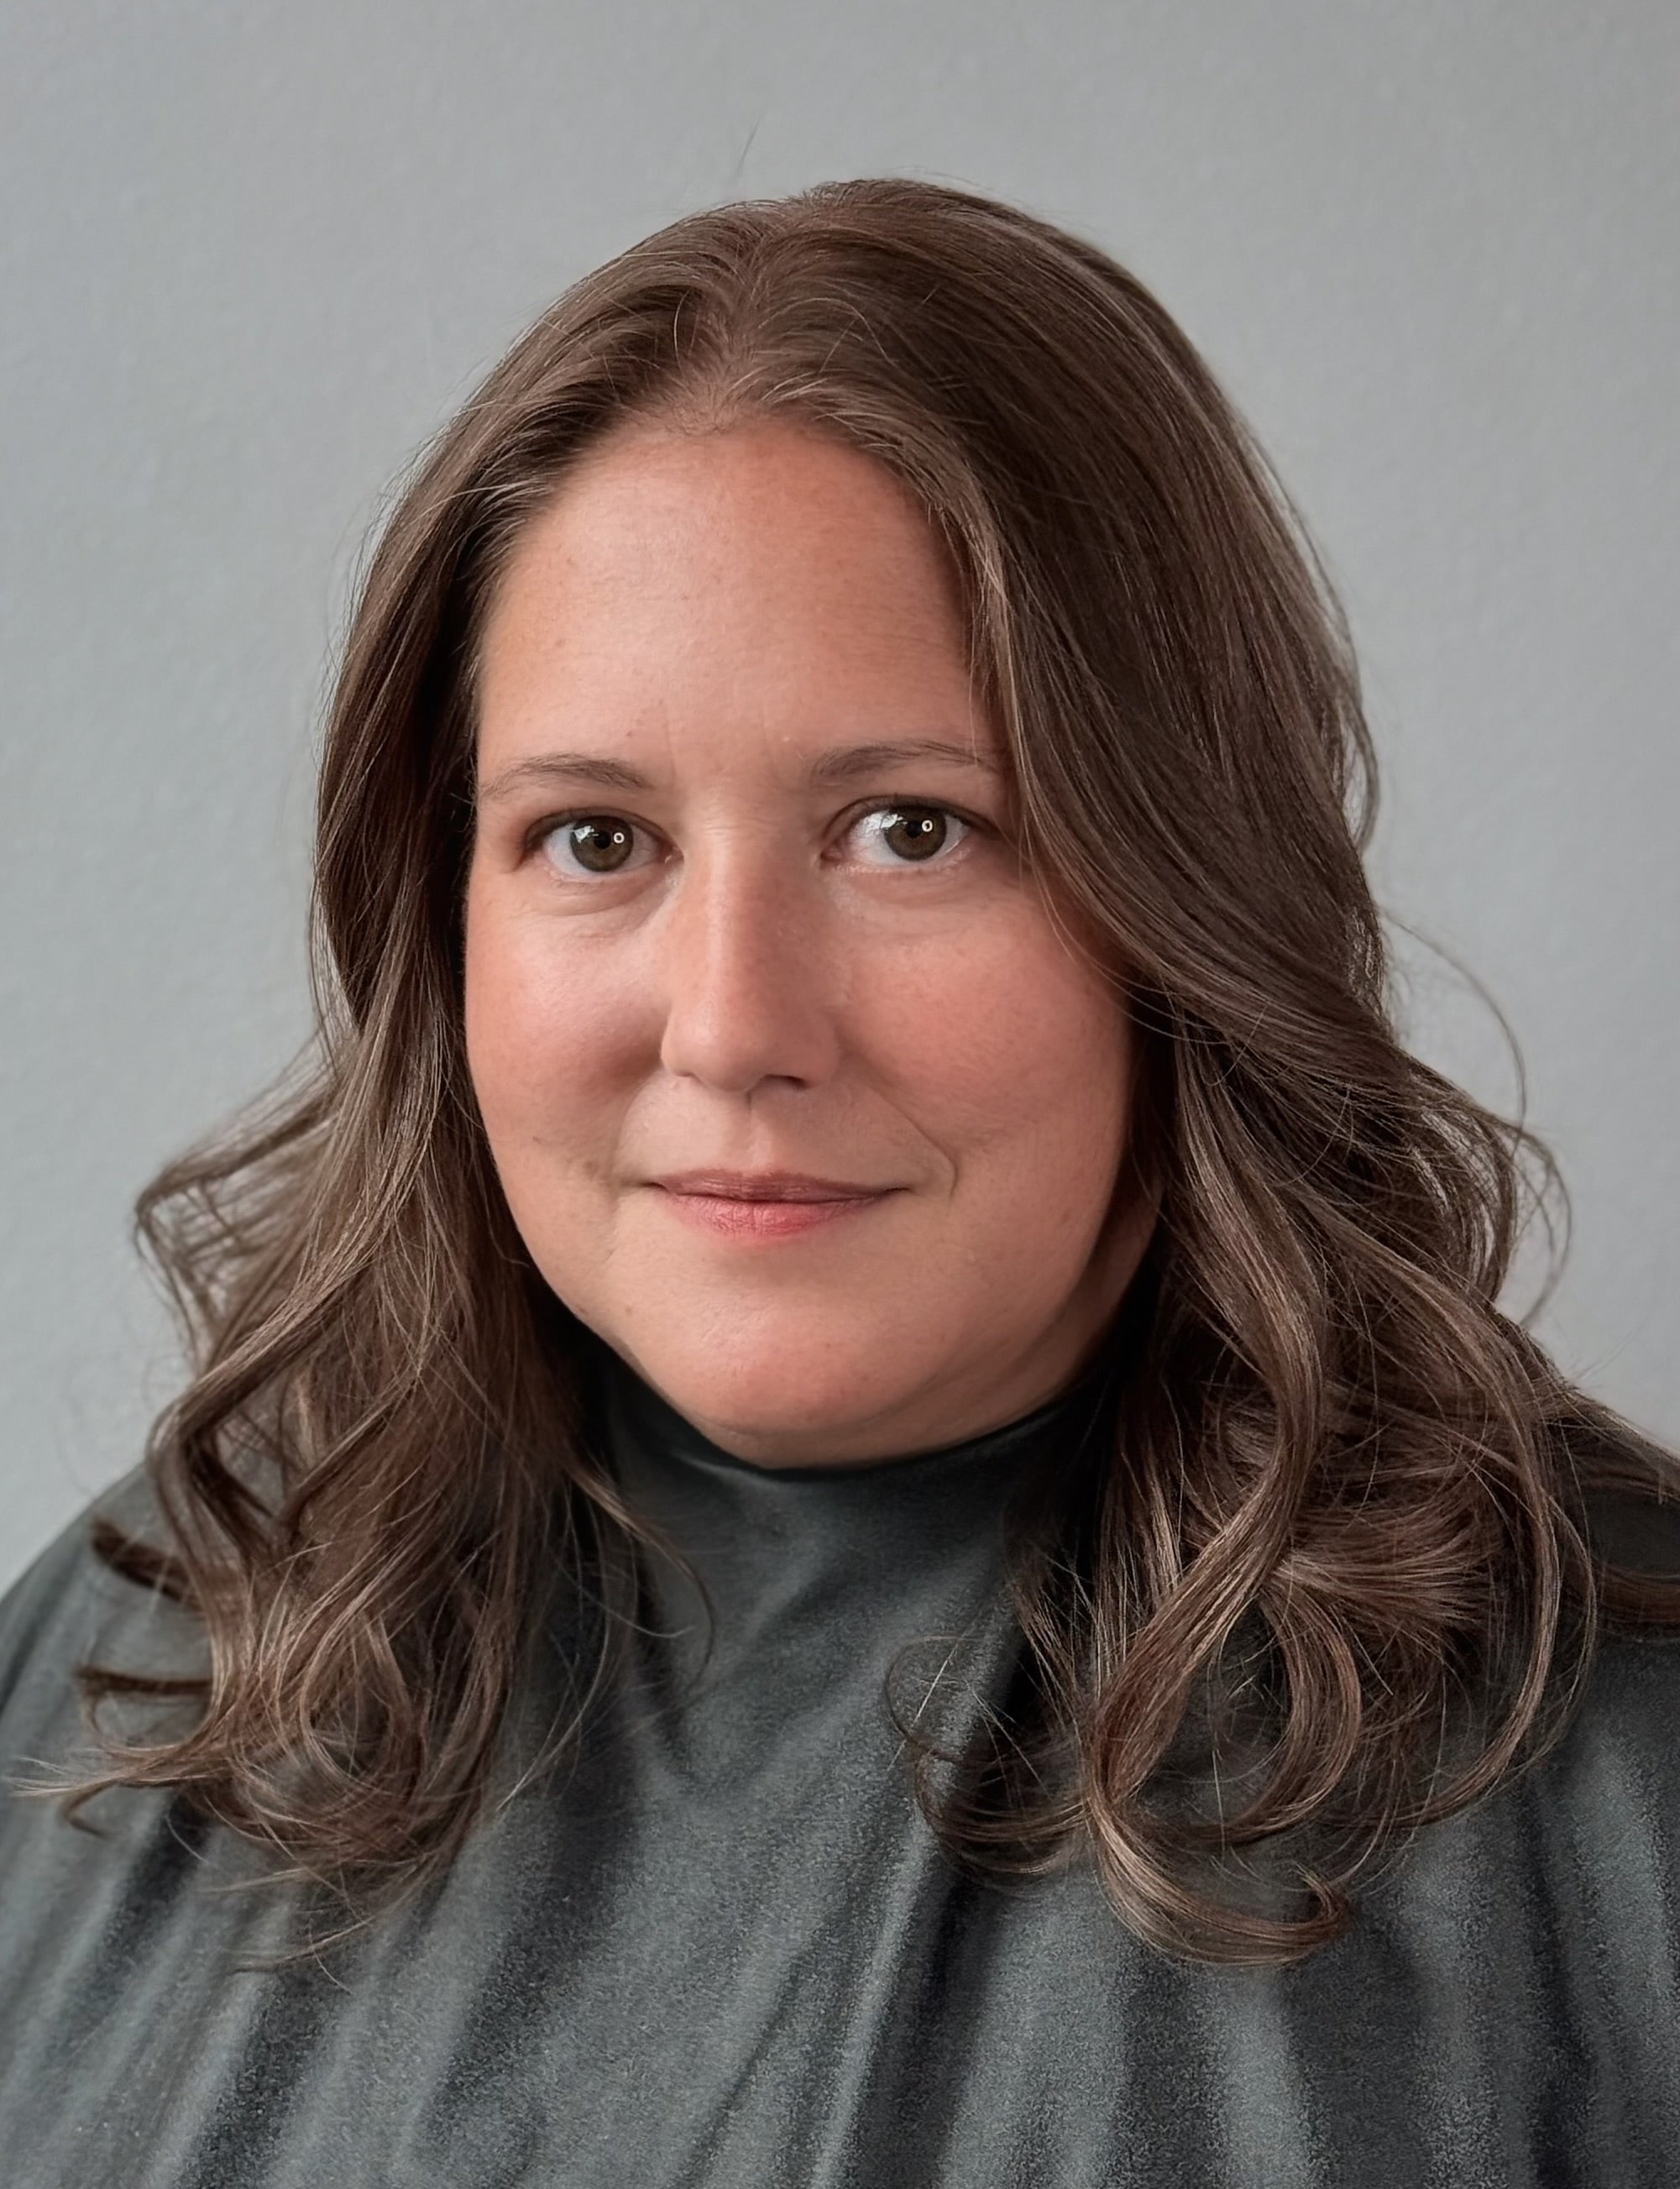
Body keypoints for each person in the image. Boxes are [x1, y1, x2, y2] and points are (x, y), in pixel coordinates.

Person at [0, 176, 1675, 2189]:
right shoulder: (142, 1652)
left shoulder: (1620, 1778)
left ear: (1182, 890)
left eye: (908, 829)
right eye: (595, 838)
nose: (731, 1027)